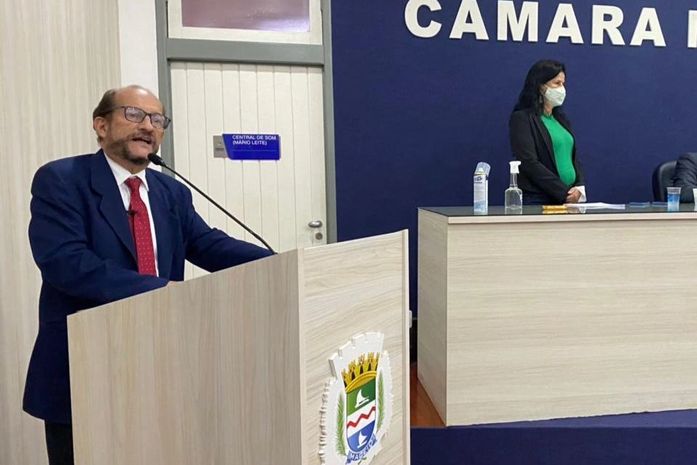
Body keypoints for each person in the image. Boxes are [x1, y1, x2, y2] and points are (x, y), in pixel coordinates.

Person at [23, 85, 273, 465]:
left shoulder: (170, 191)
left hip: (161, 358)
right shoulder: (62, 180)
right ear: (101, 125)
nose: (148, 126)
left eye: (157, 120)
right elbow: (67, 263)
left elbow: (207, 244)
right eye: (134, 114)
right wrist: (165, 290)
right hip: (89, 366)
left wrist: (282, 261)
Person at [509, 59, 587, 205]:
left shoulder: (561, 119)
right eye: (557, 83)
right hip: (539, 199)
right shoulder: (522, 119)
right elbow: (529, 162)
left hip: (568, 199)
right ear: (540, 86)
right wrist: (563, 192)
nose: (562, 89)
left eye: (563, 84)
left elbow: (572, 157)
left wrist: (578, 187)